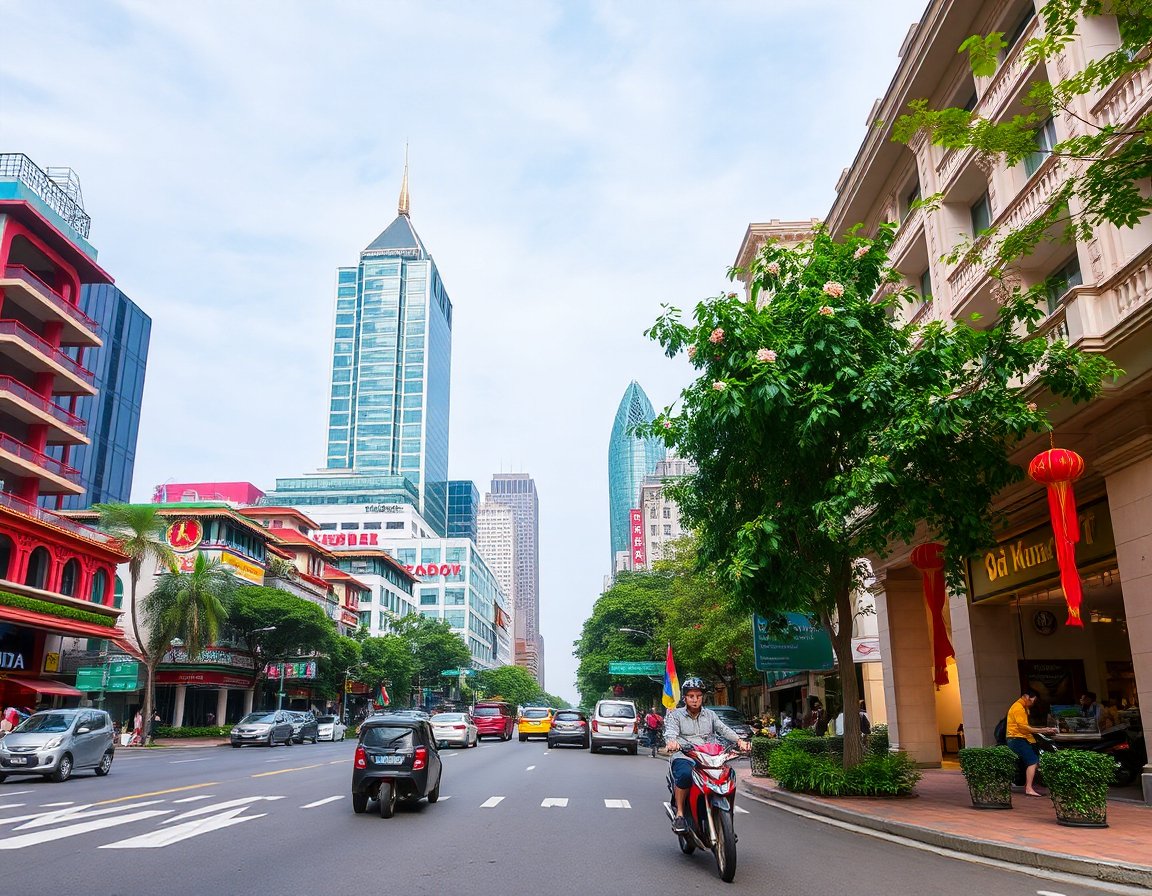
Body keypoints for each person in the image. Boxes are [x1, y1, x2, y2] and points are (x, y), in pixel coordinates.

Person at [663, 677, 750, 833]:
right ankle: (680, 814)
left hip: (709, 756)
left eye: (698, 696)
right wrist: (672, 742)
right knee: (685, 775)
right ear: (685, 698)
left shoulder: (710, 715)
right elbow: (671, 732)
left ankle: (727, 824)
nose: (695, 700)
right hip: (685, 755)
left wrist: (739, 741)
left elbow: (723, 729)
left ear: (702, 697)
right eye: (691, 696)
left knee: (728, 774)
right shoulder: (676, 715)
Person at [1006, 687, 1058, 796]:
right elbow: (1024, 727)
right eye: (1033, 700)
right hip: (1017, 739)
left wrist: (1044, 729)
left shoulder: (1022, 707)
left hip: (1019, 738)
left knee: (1032, 760)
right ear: (1026, 697)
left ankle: (1028, 785)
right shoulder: (1018, 708)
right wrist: (1044, 730)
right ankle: (1029, 788)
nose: (1033, 703)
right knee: (1033, 761)